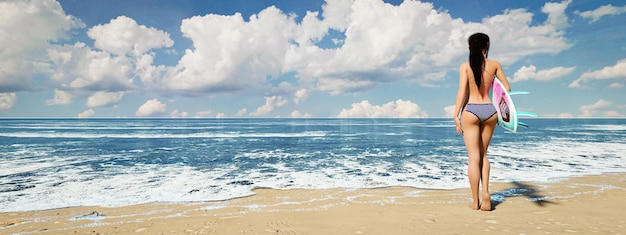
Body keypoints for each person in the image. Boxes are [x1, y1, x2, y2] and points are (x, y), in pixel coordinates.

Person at [453, 33, 510, 211]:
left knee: (473, 158)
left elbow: (462, 91)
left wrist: (456, 115)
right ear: (487, 45)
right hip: (489, 110)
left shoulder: (465, 67)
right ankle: (486, 192)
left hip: (471, 110)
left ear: (469, 47)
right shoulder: (494, 65)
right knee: (483, 155)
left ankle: (476, 201)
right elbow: (506, 89)